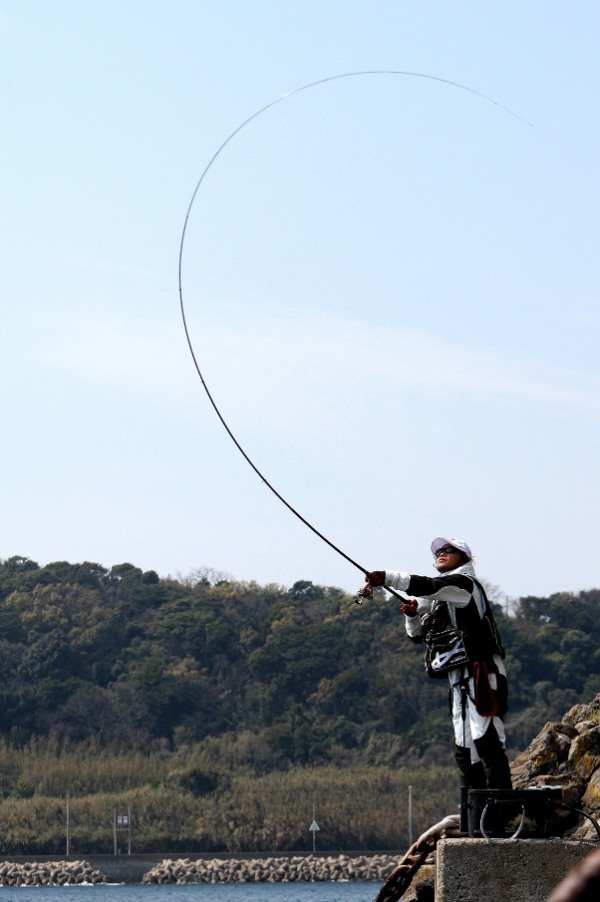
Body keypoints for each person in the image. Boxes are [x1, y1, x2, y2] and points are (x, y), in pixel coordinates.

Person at [362, 536, 512, 792]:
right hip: (458, 680)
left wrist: (386, 577)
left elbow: (426, 585)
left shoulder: (464, 584)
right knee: (465, 749)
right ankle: (473, 818)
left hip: (482, 671)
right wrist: (412, 617)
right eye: (438, 552)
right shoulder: (440, 600)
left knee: (486, 740)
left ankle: (501, 813)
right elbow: (417, 636)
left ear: (464, 557)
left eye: (449, 550)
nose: (441, 554)